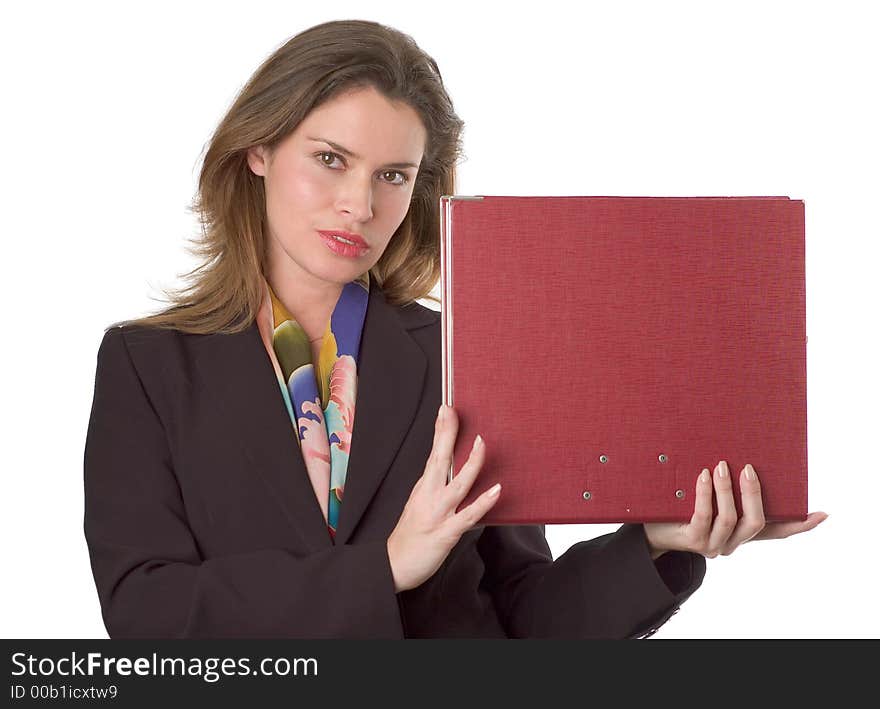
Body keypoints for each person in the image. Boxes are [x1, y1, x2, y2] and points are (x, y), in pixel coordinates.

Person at [83, 19, 828, 639]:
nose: (359, 205)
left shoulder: (459, 354)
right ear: (258, 150)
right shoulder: (146, 364)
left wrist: (655, 543)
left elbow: (522, 614)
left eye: (393, 175)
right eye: (330, 159)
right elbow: (145, 612)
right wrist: (385, 569)